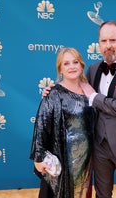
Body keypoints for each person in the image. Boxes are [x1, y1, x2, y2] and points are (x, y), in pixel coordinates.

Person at [43, 21, 116, 198]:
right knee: (101, 193)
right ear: (98, 44)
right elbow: (76, 91)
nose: (108, 46)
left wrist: (95, 98)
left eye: (113, 40)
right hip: (99, 145)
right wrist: (53, 93)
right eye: (103, 41)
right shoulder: (92, 69)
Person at [30, 47, 94, 198]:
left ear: (81, 65)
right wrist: (38, 158)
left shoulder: (89, 90)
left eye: (75, 62)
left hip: (85, 158)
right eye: (66, 63)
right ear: (60, 69)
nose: (72, 66)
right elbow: (41, 126)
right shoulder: (53, 93)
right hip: (63, 158)